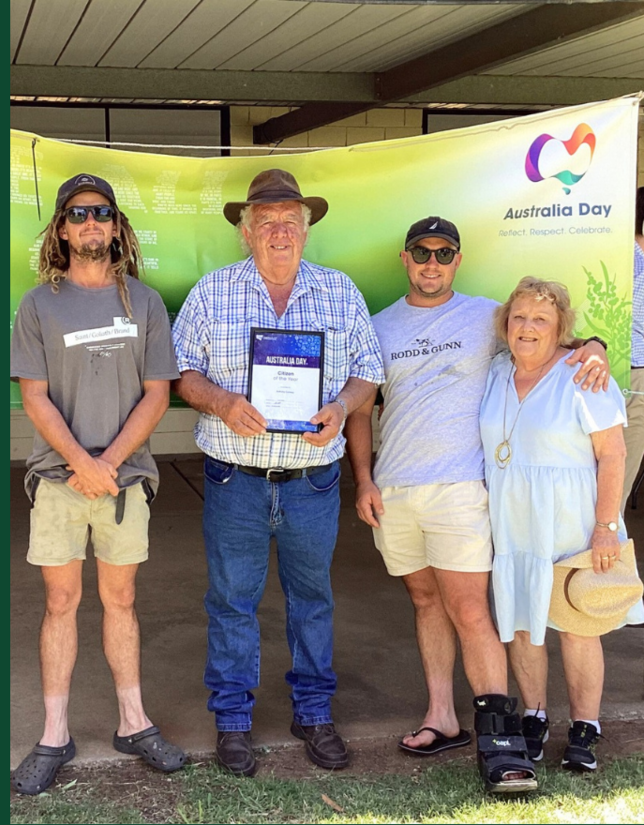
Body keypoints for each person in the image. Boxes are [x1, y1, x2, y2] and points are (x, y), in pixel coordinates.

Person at [345, 219, 608, 793]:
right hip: (394, 490)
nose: (431, 262)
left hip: (462, 488)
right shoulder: (378, 325)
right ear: (405, 258)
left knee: (469, 609)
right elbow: (361, 409)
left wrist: (595, 347)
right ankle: (442, 717)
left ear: (458, 260)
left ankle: (503, 743)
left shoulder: (488, 316)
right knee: (424, 601)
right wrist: (363, 479)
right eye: (421, 252)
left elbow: (550, 339)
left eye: (443, 253)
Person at [171, 168, 384, 776]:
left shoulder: (339, 292)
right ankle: (233, 721)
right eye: (267, 222)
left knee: (311, 599)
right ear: (246, 233)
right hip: (234, 477)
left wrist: (343, 407)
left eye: (291, 221)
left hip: (312, 479)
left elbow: (368, 370)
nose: (280, 232)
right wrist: (221, 402)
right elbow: (181, 373)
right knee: (232, 601)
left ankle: (314, 712)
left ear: (307, 231)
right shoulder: (213, 293)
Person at [10, 173, 186, 795]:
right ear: (61, 228)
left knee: (121, 602)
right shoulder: (37, 305)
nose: (91, 223)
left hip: (124, 482)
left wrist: (106, 463)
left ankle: (133, 723)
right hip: (59, 481)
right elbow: (34, 397)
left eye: (102, 213)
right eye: (78, 214)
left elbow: (158, 393)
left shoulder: (145, 302)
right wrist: (81, 465)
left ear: (116, 227)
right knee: (60, 603)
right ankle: (54, 732)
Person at [479, 277, 644, 773]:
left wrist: (605, 527)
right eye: (520, 317)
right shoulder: (495, 371)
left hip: (573, 519)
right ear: (506, 324)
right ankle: (534, 716)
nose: (527, 328)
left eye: (541, 319)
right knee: (524, 623)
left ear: (561, 330)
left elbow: (613, 454)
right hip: (514, 520)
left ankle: (585, 727)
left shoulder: (584, 375)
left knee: (577, 625)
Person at [620, 186, 644, 513]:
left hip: (611, 364)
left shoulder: (616, 249)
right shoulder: (632, 257)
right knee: (623, 459)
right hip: (629, 371)